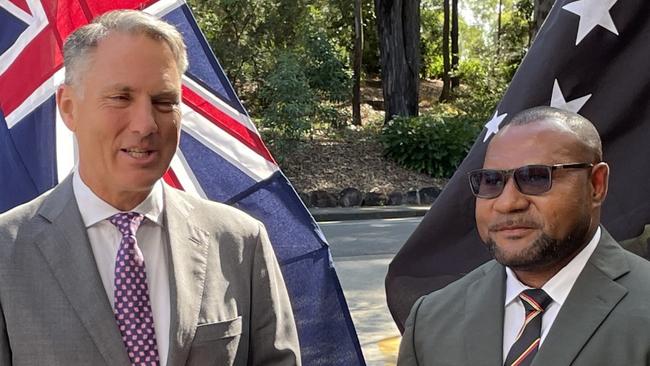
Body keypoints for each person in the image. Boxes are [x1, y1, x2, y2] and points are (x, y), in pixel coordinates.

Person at [0, 10, 300, 366]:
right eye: (121, 98)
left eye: (163, 102)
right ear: (69, 107)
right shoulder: (8, 252)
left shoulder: (239, 242)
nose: (145, 124)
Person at [397, 106, 650, 366]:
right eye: (492, 181)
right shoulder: (431, 320)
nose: (507, 203)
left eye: (536, 177)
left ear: (596, 185)